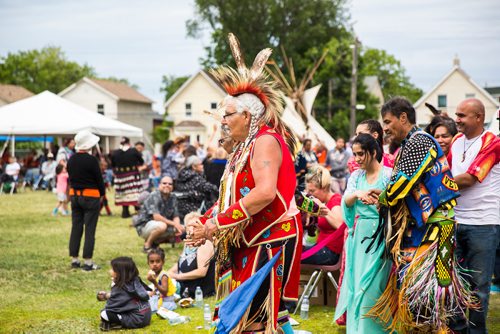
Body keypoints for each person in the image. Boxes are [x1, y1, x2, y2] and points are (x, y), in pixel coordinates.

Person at [186, 33, 302, 333]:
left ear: (248, 115)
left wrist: (216, 225)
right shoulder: (241, 149)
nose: (222, 121)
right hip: (249, 237)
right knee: (259, 315)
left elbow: (264, 193)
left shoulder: (265, 141)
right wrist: (204, 221)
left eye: (228, 115)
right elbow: (228, 197)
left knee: (252, 318)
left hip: (270, 236)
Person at [367, 97, 476, 333]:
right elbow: (399, 187)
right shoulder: (408, 146)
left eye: (387, 121)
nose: (384, 128)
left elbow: (401, 184)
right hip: (419, 230)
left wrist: (385, 197)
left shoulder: (420, 142)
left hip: (435, 229)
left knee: (434, 299)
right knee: (419, 300)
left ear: (403, 117)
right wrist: (385, 195)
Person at [448, 98, 500, 334]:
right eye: (456, 114)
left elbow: (468, 179)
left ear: (478, 117)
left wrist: (432, 180)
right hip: (457, 220)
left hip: (483, 223)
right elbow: (446, 171)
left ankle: (477, 332)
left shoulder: (493, 142)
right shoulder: (457, 141)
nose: (456, 120)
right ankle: (458, 330)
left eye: (462, 115)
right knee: (454, 282)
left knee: (478, 286)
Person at [334, 134, 392, 333]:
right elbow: (345, 201)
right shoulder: (356, 177)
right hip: (359, 237)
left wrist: (379, 201)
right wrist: (357, 194)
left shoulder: (388, 175)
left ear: (373, 152)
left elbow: (397, 206)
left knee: (373, 288)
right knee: (357, 285)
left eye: (361, 154)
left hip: (382, 235)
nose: (356, 159)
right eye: (355, 154)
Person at [67, 130, 105, 271]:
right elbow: (99, 180)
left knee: (76, 227)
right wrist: (102, 193)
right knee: (89, 229)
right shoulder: (91, 160)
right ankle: (88, 262)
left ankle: (75, 259)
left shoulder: (71, 159)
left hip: (75, 196)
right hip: (91, 196)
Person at [300, 165, 345, 265]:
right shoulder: (326, 202)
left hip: (329, 253)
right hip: (321, 248)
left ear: (324, 188)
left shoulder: (335, 201)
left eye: (312, 191)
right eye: (308, 191)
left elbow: (339, 224)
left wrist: (321, 207)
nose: (309, 194)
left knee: (291, 255)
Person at [167, 212, 216, 299]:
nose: (193, 229)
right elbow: (183, 259)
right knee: (158, 283)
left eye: (195, 226)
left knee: (160, 288)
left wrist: (177, 276)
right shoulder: (189, 242)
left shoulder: (205, 244)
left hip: (197, 289)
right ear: (186, 229)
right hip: (184, 284)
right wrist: (170, 272)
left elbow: (201, 272)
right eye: (190, 226)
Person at [96, 256, 151, 331]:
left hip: (137, 320)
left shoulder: (120, 288)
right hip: (146, 316)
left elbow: (112, 307)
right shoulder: (135, 281)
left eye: (112, 269)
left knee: (104, 314)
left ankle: (116, 324)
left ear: (119, 273)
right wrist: (108, 295)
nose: (110, 271)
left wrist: (110, 293)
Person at [134, 176, 184, 253]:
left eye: (170, 184)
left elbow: (175, 215)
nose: (167, 185)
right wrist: (174, 224)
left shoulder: (173, 197)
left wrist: (178, 225)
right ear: (159, 185)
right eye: (164, 183)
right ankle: (147, 245)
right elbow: (156, 217)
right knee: (162, 226)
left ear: (172, 186)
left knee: (183, 228)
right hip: (144, 226)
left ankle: (155, 242)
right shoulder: (154, 195)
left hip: (162, 224)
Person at [174, 155, 218, 221]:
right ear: (194, 166)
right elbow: (211, 188)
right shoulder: (195, 177)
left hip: (180, 205)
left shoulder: (182, 174)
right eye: (200, 164)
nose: (202, 166)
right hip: (192, 206)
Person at [111, 137, 144, 218]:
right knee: (135, 192)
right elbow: (141, 161)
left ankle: (125, 212)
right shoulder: (133, 151)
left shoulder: (115, 152)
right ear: (129, 143)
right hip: (132, 175)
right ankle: (138, 210)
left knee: (123, 193)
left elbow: (113, 164)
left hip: (120, 176)